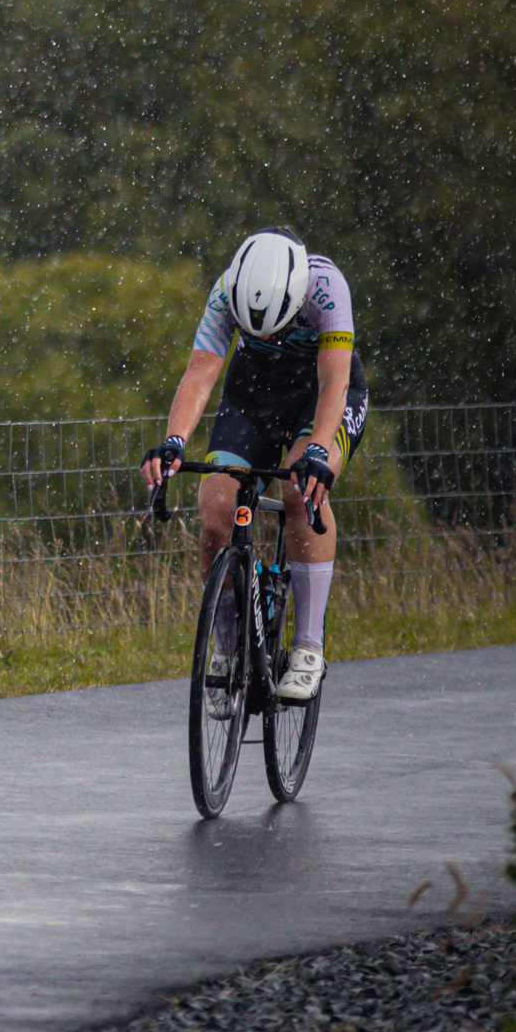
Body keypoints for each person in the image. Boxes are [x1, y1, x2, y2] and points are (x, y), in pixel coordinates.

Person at [141, 228, 369, 702]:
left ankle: (308, 646)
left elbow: (333, 385)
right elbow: (201, 372)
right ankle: (226, 646)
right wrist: (173, 441)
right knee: (215, 512)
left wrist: (316, 454)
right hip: (254, 393)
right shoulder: (227, 288)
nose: (268, 335)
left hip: (319, 394)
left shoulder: (327, 287)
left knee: (300, 490)